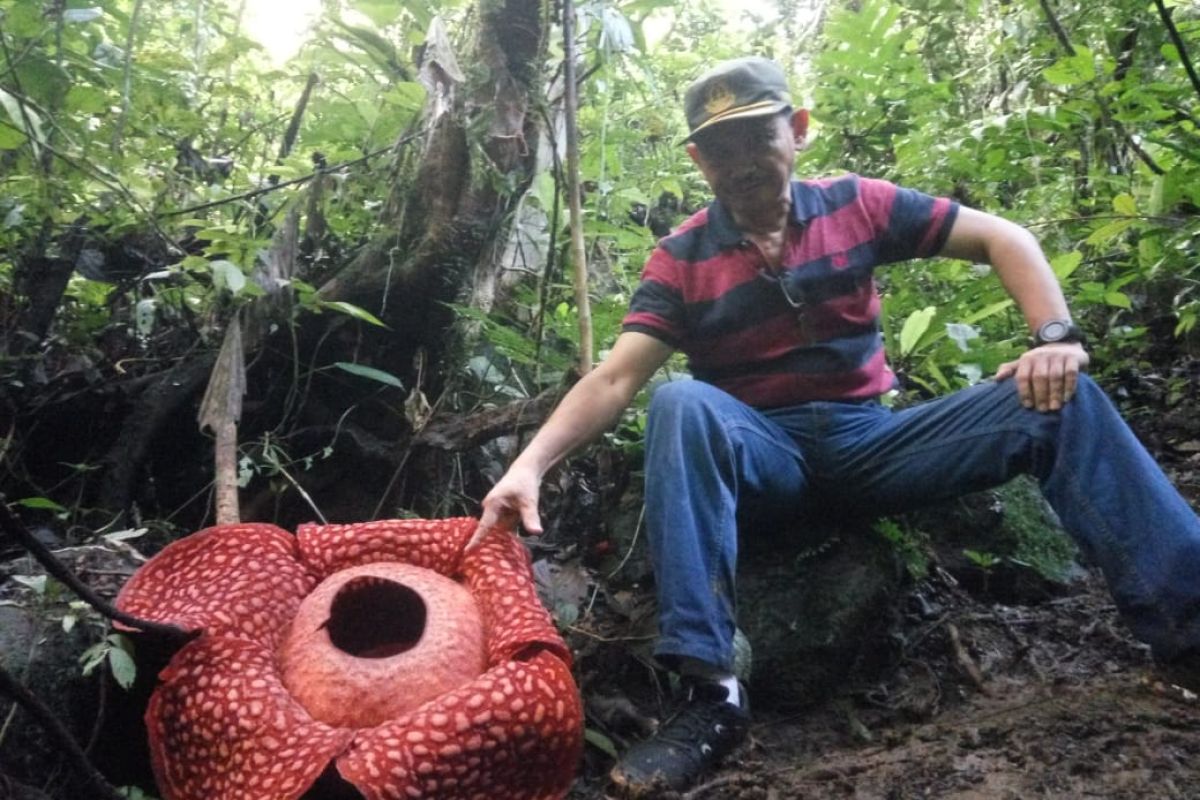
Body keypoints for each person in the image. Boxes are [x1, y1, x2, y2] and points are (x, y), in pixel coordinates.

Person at [471, 56, 1200, 795]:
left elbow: (1003, 238)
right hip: (764, 457)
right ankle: (712, 694)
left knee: (1062, 396)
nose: (740, 161)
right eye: (719, 148)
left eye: (756, 136)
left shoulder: (857, 204)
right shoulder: (682, 256)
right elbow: (617, 376)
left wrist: (1054, 338)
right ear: (697, 160)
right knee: (681, 402)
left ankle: (1190, 622)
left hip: (870, 445)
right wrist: (529, 465)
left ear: (798, 130)